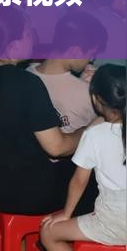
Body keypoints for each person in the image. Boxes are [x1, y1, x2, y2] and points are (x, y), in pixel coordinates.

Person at [0, 8, 85, 215]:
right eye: (28, 33)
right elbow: (57, 147)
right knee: (89, 176)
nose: (32, 37)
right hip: (23, 195)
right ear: (12, 46)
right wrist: (86, 133)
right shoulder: (27, 83)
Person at [41, 65, 126, 249]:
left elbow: (79, 181)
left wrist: (66, 214)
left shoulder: (93, 135)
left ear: (96, 99)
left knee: (48, 233)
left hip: (114, 221)